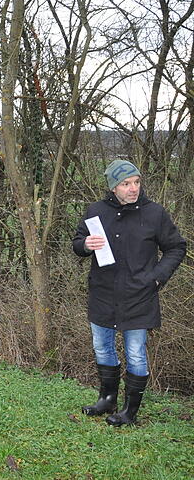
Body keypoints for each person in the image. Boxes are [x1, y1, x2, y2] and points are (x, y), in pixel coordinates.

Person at [72, 159, 186, 426]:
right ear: (114, 187)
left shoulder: (154, 213)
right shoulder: (95, 211)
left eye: (136, 182)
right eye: (125, 184)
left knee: (135, 353)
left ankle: (129, 411)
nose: (133, 188)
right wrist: (85, 244)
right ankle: (107, 399)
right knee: (102, 346)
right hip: (102, 294)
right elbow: (77, 242)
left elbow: (176, 247)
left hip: (139, 295)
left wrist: (157, 278)